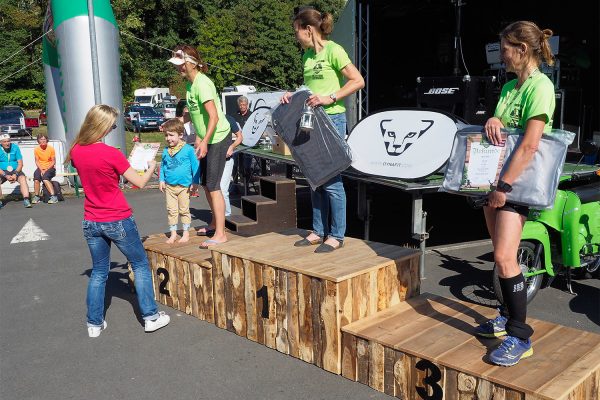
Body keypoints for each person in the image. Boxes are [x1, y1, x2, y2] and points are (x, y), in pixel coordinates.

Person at [474, 21, 556, 367]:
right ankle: (506, 315)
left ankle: (520, 336)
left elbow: (530, 145)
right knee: (500, 256)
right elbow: (503, 126)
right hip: (496, 182)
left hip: (515, 184)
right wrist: (493, 118)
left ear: (522, 50)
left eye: (505, 47)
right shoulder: (510, 85)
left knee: (507, 259)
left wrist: (504, 188)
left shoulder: (542, 87)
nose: (501, 54)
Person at [66, 104, 170, 338]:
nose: (114, 128)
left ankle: (94, 323)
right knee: (140, 264)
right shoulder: (111, 153)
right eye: (112, 125)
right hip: (117, 218)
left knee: (99, 272)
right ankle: (151, 317)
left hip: (91, 220)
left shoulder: (76, 150)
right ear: (103, 126)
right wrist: (152, 166)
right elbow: (140, 182)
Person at [281, 7, 364, 253]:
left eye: (297, 31)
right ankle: (318, 231)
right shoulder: (307, 56)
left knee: (331, 180)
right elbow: (309, 90)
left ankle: (337, 235)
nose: (296, 36)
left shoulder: (334, 50)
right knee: (314, 177)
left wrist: (331, 97)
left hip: (332, 121)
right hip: (312, 121)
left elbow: (358, 80)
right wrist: (292, 95)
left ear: (308, 29)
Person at [168, 45, 231, 248]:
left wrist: (204, 140)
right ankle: (214, 223)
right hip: (206, 138)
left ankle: (221, 234)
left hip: (218, 137)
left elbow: (213, 116)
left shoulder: (203, 84)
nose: (179, 69)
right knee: (205, 184)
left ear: (191, 63)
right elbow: (194, 114)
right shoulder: (190, 85)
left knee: (214, 185)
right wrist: (177, 122)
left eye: (181, 64)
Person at [159, 118, 200, 244]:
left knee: (183, 210)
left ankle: (186, 233)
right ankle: (173, 233)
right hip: (170, 186)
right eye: (166, 135)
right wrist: (161, 179)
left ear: (180, 135)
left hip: (184, 186)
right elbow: (162, 166)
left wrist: (195, 182)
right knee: (171, 210)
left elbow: (195, 166)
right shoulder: (166, 150)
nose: (168, 138)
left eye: (171, 135)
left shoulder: (187, 149)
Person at [0, 133, 32, 208]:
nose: (7, 143)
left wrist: (15, 174)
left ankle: (26, 200)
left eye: (8, 141)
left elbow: (20, 163)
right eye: (4, 142)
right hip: (3, 171)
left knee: (23, 179)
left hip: (15, 170)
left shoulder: (15, 147)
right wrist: (5, 175)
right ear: (1, 142)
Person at [221, 115, 243, 217]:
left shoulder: (228, 119)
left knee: (222, 189)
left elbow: (240, 137)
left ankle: (226, 215)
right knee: (214, 190)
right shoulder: (207, 119)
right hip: (213, 159)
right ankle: (218, 215)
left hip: (226, 160)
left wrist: (232, 147)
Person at [31, 133, 59, 205]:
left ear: (47, 140)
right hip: (41, 168)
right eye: (41, 139)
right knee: (36, 179)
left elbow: (53, 161)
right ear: (38, 141)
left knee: (45, 178)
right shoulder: (36, 149)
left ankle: (54, 197)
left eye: (44, 139)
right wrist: (41, 169)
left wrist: (46, 170)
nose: (43, 141)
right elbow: (37, 161)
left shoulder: (51, 148)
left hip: (50, 168)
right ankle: (37, 196)